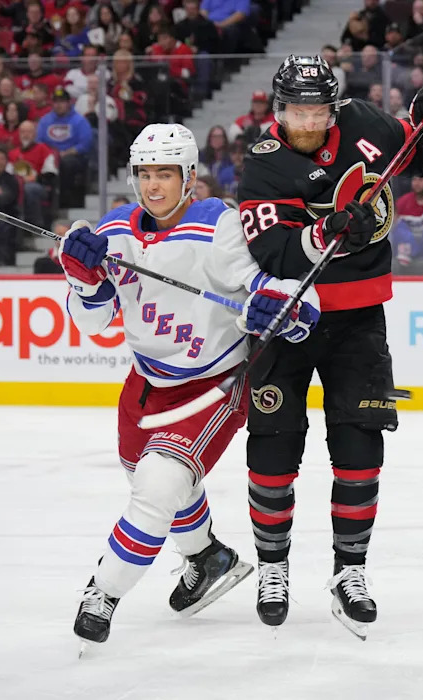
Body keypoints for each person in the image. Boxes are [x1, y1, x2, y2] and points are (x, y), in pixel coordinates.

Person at [66, 123, 320, 652]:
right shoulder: (114, 230)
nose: (153, 186)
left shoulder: (218, 226)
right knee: (151, 479)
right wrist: (82, 281)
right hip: (144, 384)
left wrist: (285, 307)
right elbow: (91, 323)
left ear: (190, 176)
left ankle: (102, 595)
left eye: (165, 173)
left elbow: (275, 290)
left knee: (156, 492)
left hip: (210, 389)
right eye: (144, 174)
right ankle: (208, 558)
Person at [236, 55, 423, 636]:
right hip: (286, 323)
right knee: (273, 449)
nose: (305, 122)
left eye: (316, 109)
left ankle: (350, 571)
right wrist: (320, 234)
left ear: (332, 107)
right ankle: (272, 567)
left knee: (360, 449)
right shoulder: (262, 163)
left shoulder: (366, 124)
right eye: (294, 110)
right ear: (277, 110)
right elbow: (273, 254)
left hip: (360, 320)